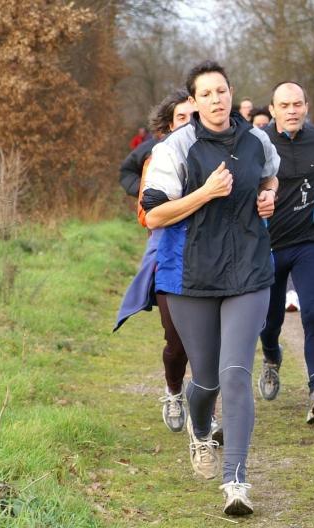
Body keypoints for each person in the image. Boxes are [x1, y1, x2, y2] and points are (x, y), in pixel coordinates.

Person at [142, 60, 280, 516]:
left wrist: (268, 194)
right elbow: (155, 215)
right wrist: (204, 192)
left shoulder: (257, 139)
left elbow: (270, 174)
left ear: (230, 92)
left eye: (222, 91)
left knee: (235, 373)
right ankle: (201, 432)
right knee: (204, 379)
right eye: (207, 94)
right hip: (190, 277)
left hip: (248, 270)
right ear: (194, 102)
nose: (217, 100)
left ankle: (235, 481)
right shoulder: (174, 149)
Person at [115, 90, 207, 435]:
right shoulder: (157, 158)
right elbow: (147, 215)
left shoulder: (217, 155)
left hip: (209, 256)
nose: (189, 125)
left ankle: (206, 414)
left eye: (193, 118)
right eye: (181, 118)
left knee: (207, 341)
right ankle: (173, 391)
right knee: (177, 341)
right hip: (168, 252)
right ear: (168, 126)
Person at [257, 81, 314, 424]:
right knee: (270, 321)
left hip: (309, 243)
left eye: (298, 104)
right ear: (273, 109)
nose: (292, 110)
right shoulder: (257, 144)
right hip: (267, 245)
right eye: (285, 105)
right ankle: (271, 358)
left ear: (306, 107)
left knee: (312, 312)